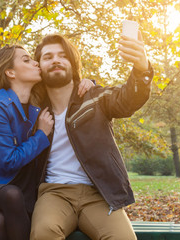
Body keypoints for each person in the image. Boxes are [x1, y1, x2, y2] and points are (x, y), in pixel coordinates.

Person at [0, 44, 94, 240]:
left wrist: (88, 83)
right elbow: (8, 160)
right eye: (26, 60)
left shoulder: (36, 101)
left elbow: (64, 85)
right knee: (11, 195)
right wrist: (41, 135)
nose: (35, 62)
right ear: (10, 72)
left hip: (20, 187)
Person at [29, 32, 153, 240]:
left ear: (73, 63)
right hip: (54, 193)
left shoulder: (94, 97)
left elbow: (128, 99)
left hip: (98, 194)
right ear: (39, 66)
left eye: (62, 55)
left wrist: (141, 68)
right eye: (48, 57)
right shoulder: (32, 110)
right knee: (44, 232)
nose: (56, 60)